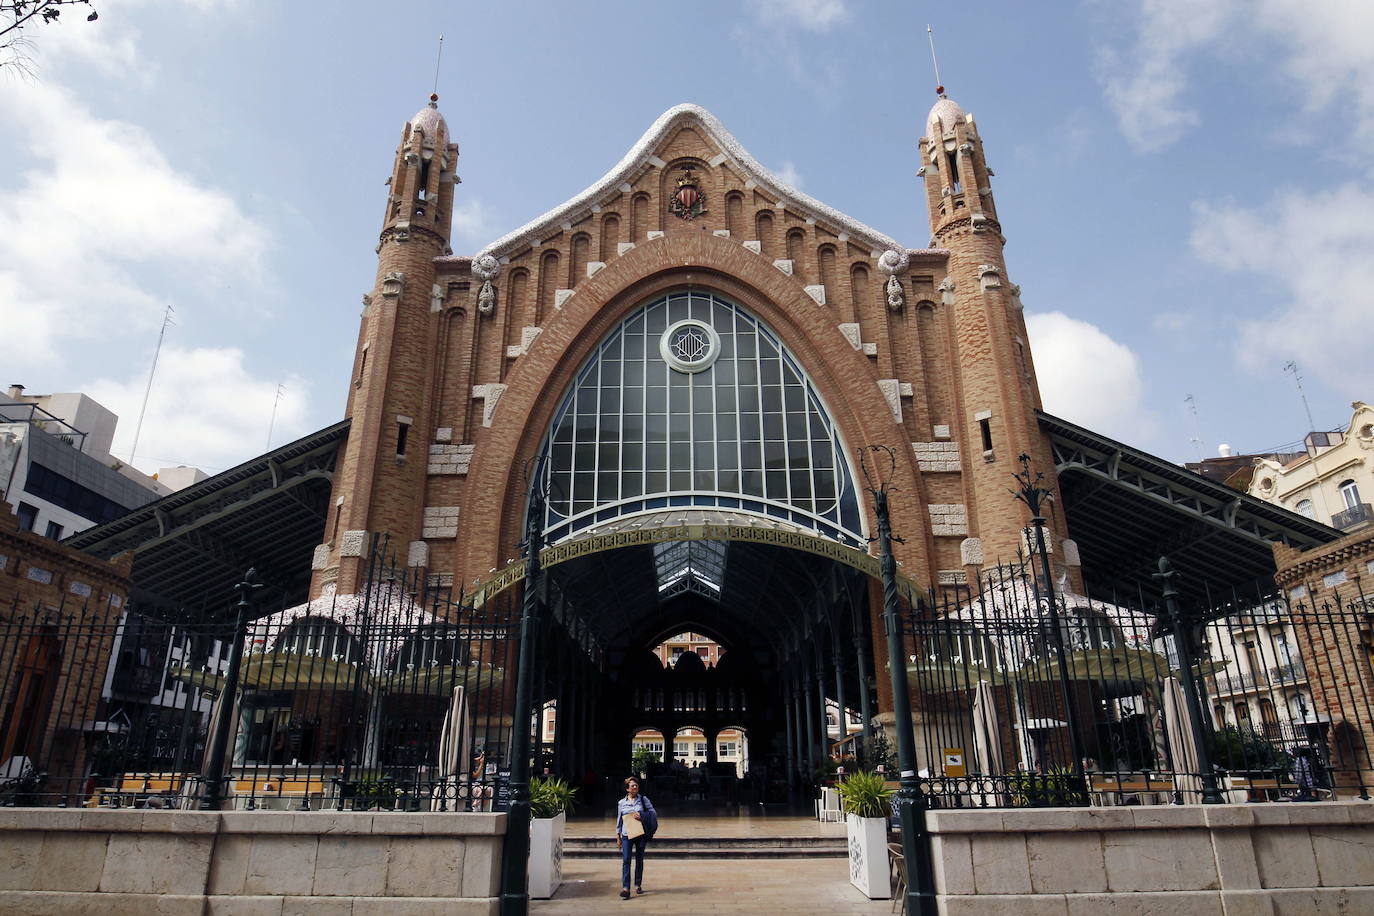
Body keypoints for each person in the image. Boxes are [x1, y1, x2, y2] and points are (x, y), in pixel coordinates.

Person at [615, 776, 657, 899]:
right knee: (626, 860)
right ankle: (626, 888)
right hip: (627, 835)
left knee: (639, 859)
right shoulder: (622, 803)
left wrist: (642, 815)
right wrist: (618, 836)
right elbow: (619, 820)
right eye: (632, 786)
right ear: (627, 789)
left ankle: (638, 884)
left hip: (640, 834)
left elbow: (653, 813)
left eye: (636, 785)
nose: (635, 787)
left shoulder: (643, 800)